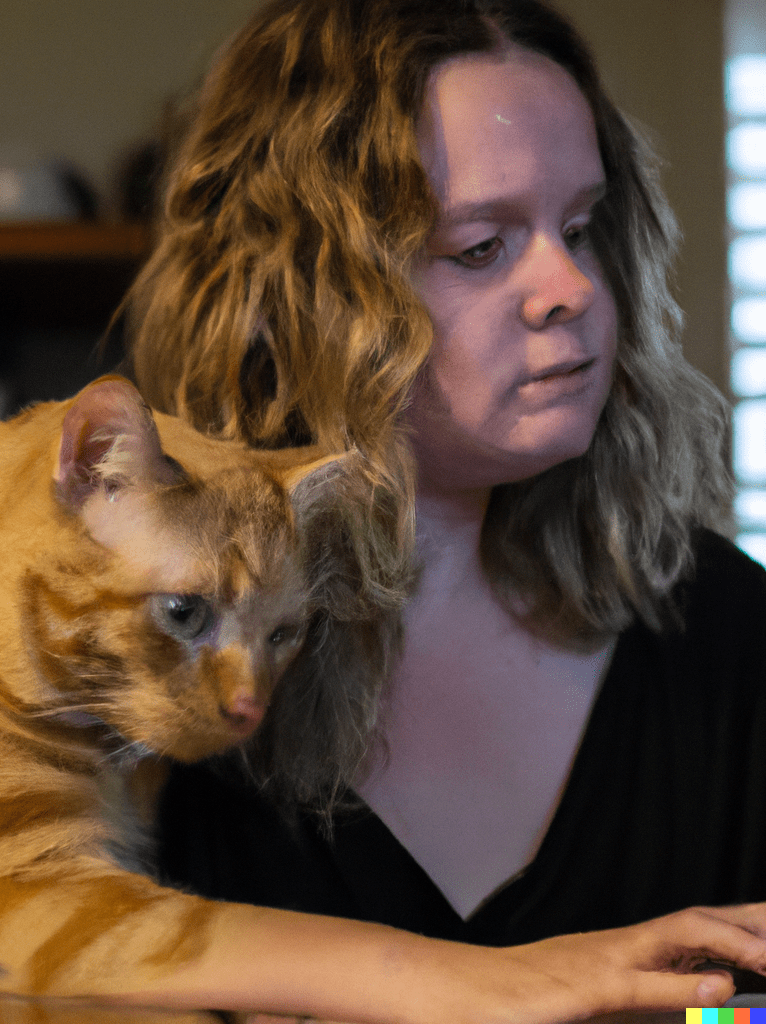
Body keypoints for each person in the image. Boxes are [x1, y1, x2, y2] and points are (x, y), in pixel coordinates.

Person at [118, 0, 766, 1018]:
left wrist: (691, 1013)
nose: (570, 288)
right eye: (480, 247)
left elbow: (754, 1007)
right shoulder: (144, 664)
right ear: (307, 295)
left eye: (581, 229)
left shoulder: (720, 627)